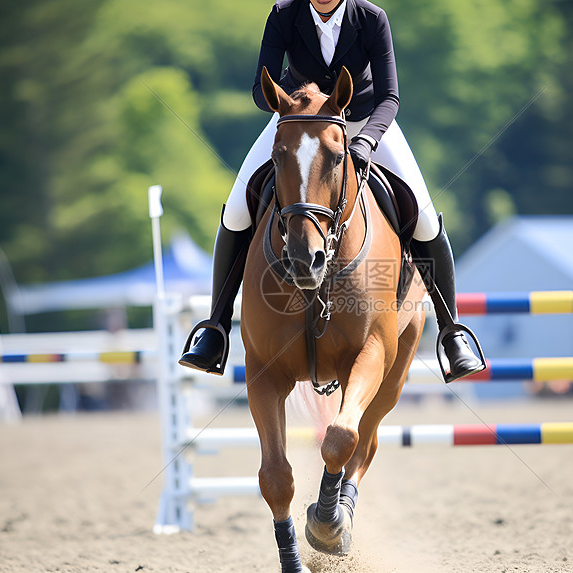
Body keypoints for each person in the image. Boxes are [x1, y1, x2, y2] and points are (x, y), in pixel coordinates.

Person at [179, 0, 484, 382]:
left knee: (422, 217)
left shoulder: (371, 19)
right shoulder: (283, 15)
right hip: (298, 124)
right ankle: (215, 330)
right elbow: (261, 91)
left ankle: (451, 332)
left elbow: (390, 97)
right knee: (238, 211)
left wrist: (367, 142)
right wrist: (295, 100)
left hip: (362, 125)